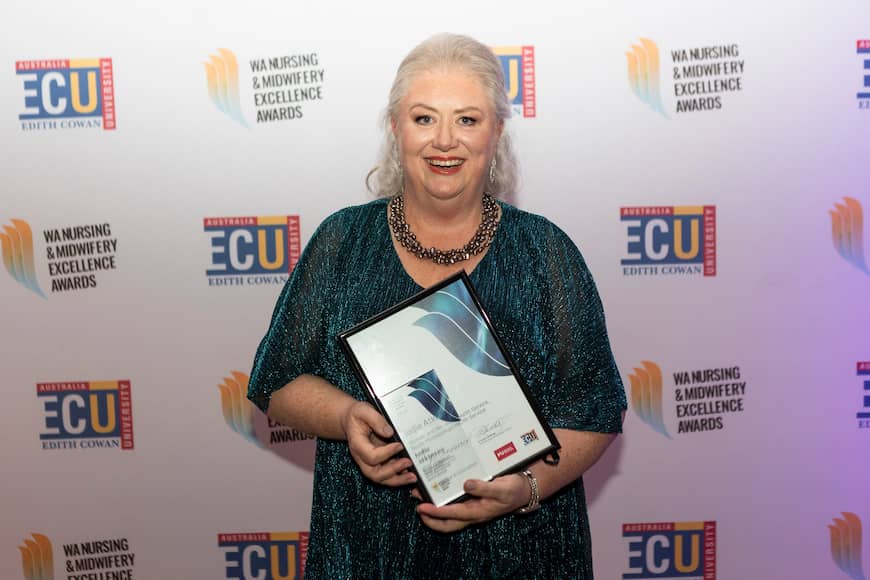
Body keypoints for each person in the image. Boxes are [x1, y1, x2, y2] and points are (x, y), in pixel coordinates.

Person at [248, 33, 627, 579]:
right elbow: (276, 379)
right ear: (395, 128)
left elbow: (594, 409)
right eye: (424, 118)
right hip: (367, 549)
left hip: (521, 551)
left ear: (496, 133)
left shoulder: (545, 252)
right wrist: (346, 415)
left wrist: (524, 488)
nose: (444, 141)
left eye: (468, 120)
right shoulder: (342, 241)